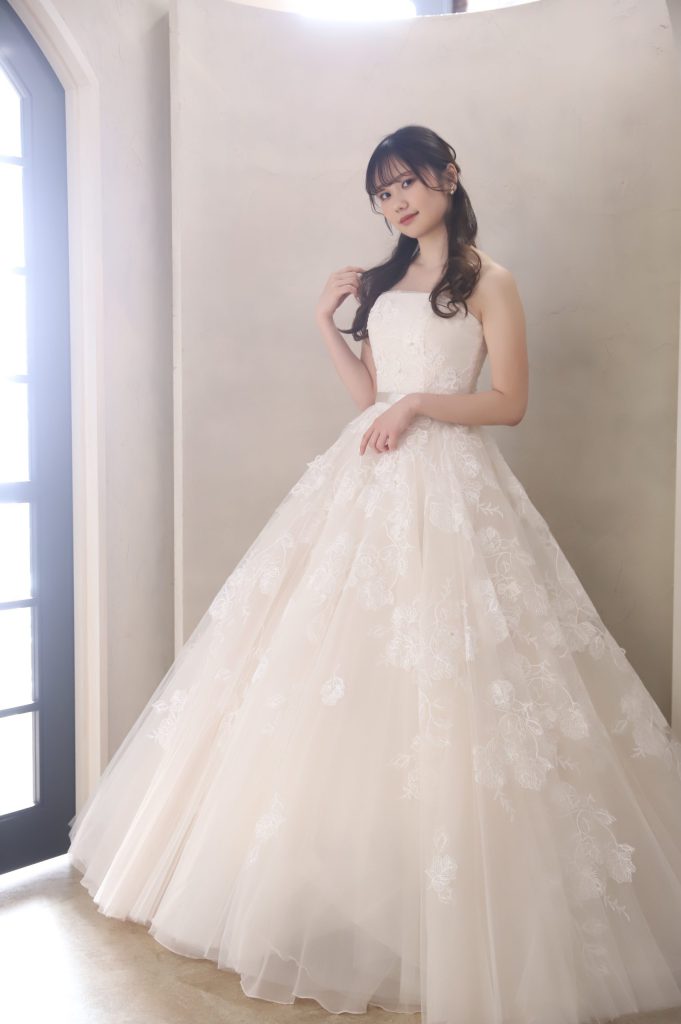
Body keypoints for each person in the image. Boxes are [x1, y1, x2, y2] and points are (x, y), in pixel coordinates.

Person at [68, 124, 681, 1024]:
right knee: (332, 679)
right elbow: (368, 399)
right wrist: (325, 324)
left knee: (456, 688)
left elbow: (508, 402)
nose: (395, 202)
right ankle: (347, 889)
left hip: (451, 490)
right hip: (366, 478)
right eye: (381, 192)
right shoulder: (381, 282)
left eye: (406, 183)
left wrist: (421, 403)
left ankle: (453, 908)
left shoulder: (488, 281)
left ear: (448, 176)